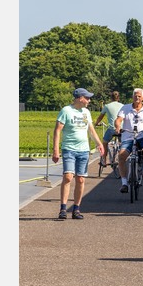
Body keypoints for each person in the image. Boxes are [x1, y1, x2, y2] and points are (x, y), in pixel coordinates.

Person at [52, 88, 105, 220]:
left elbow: (91, 130)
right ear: (79, 98)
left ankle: (76, 208)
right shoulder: (66, 111)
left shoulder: (86, 112)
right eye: (87, 98)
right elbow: (57, 130)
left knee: (80, 179)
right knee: (68, 177)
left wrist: (99, 144)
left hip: (83, 150)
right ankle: (63, 208)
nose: (89, 100)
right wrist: (56, 150)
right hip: (69, 148)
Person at [115, 88, 143, 189]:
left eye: (139, 96)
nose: (137, 97)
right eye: (135, 95)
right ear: (132, 97)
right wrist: (118, 127)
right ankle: (124, 183)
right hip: (128, 136)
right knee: (121, 156)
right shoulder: (125, 108)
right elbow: (118, 120)